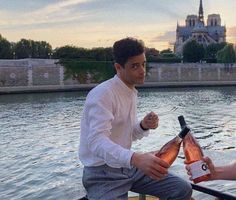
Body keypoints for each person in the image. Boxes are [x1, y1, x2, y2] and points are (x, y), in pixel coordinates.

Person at [79, 37, 192, 200]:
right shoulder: (102, 94)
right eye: (135, 66)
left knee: (182, 189)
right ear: (118, 67)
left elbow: (126, 134)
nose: (142, 71)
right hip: (102, 174)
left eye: (143, 64)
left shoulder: (129, 91)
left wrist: (143, 126)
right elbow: (96, 142)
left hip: (128, 166)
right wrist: (135, 158)